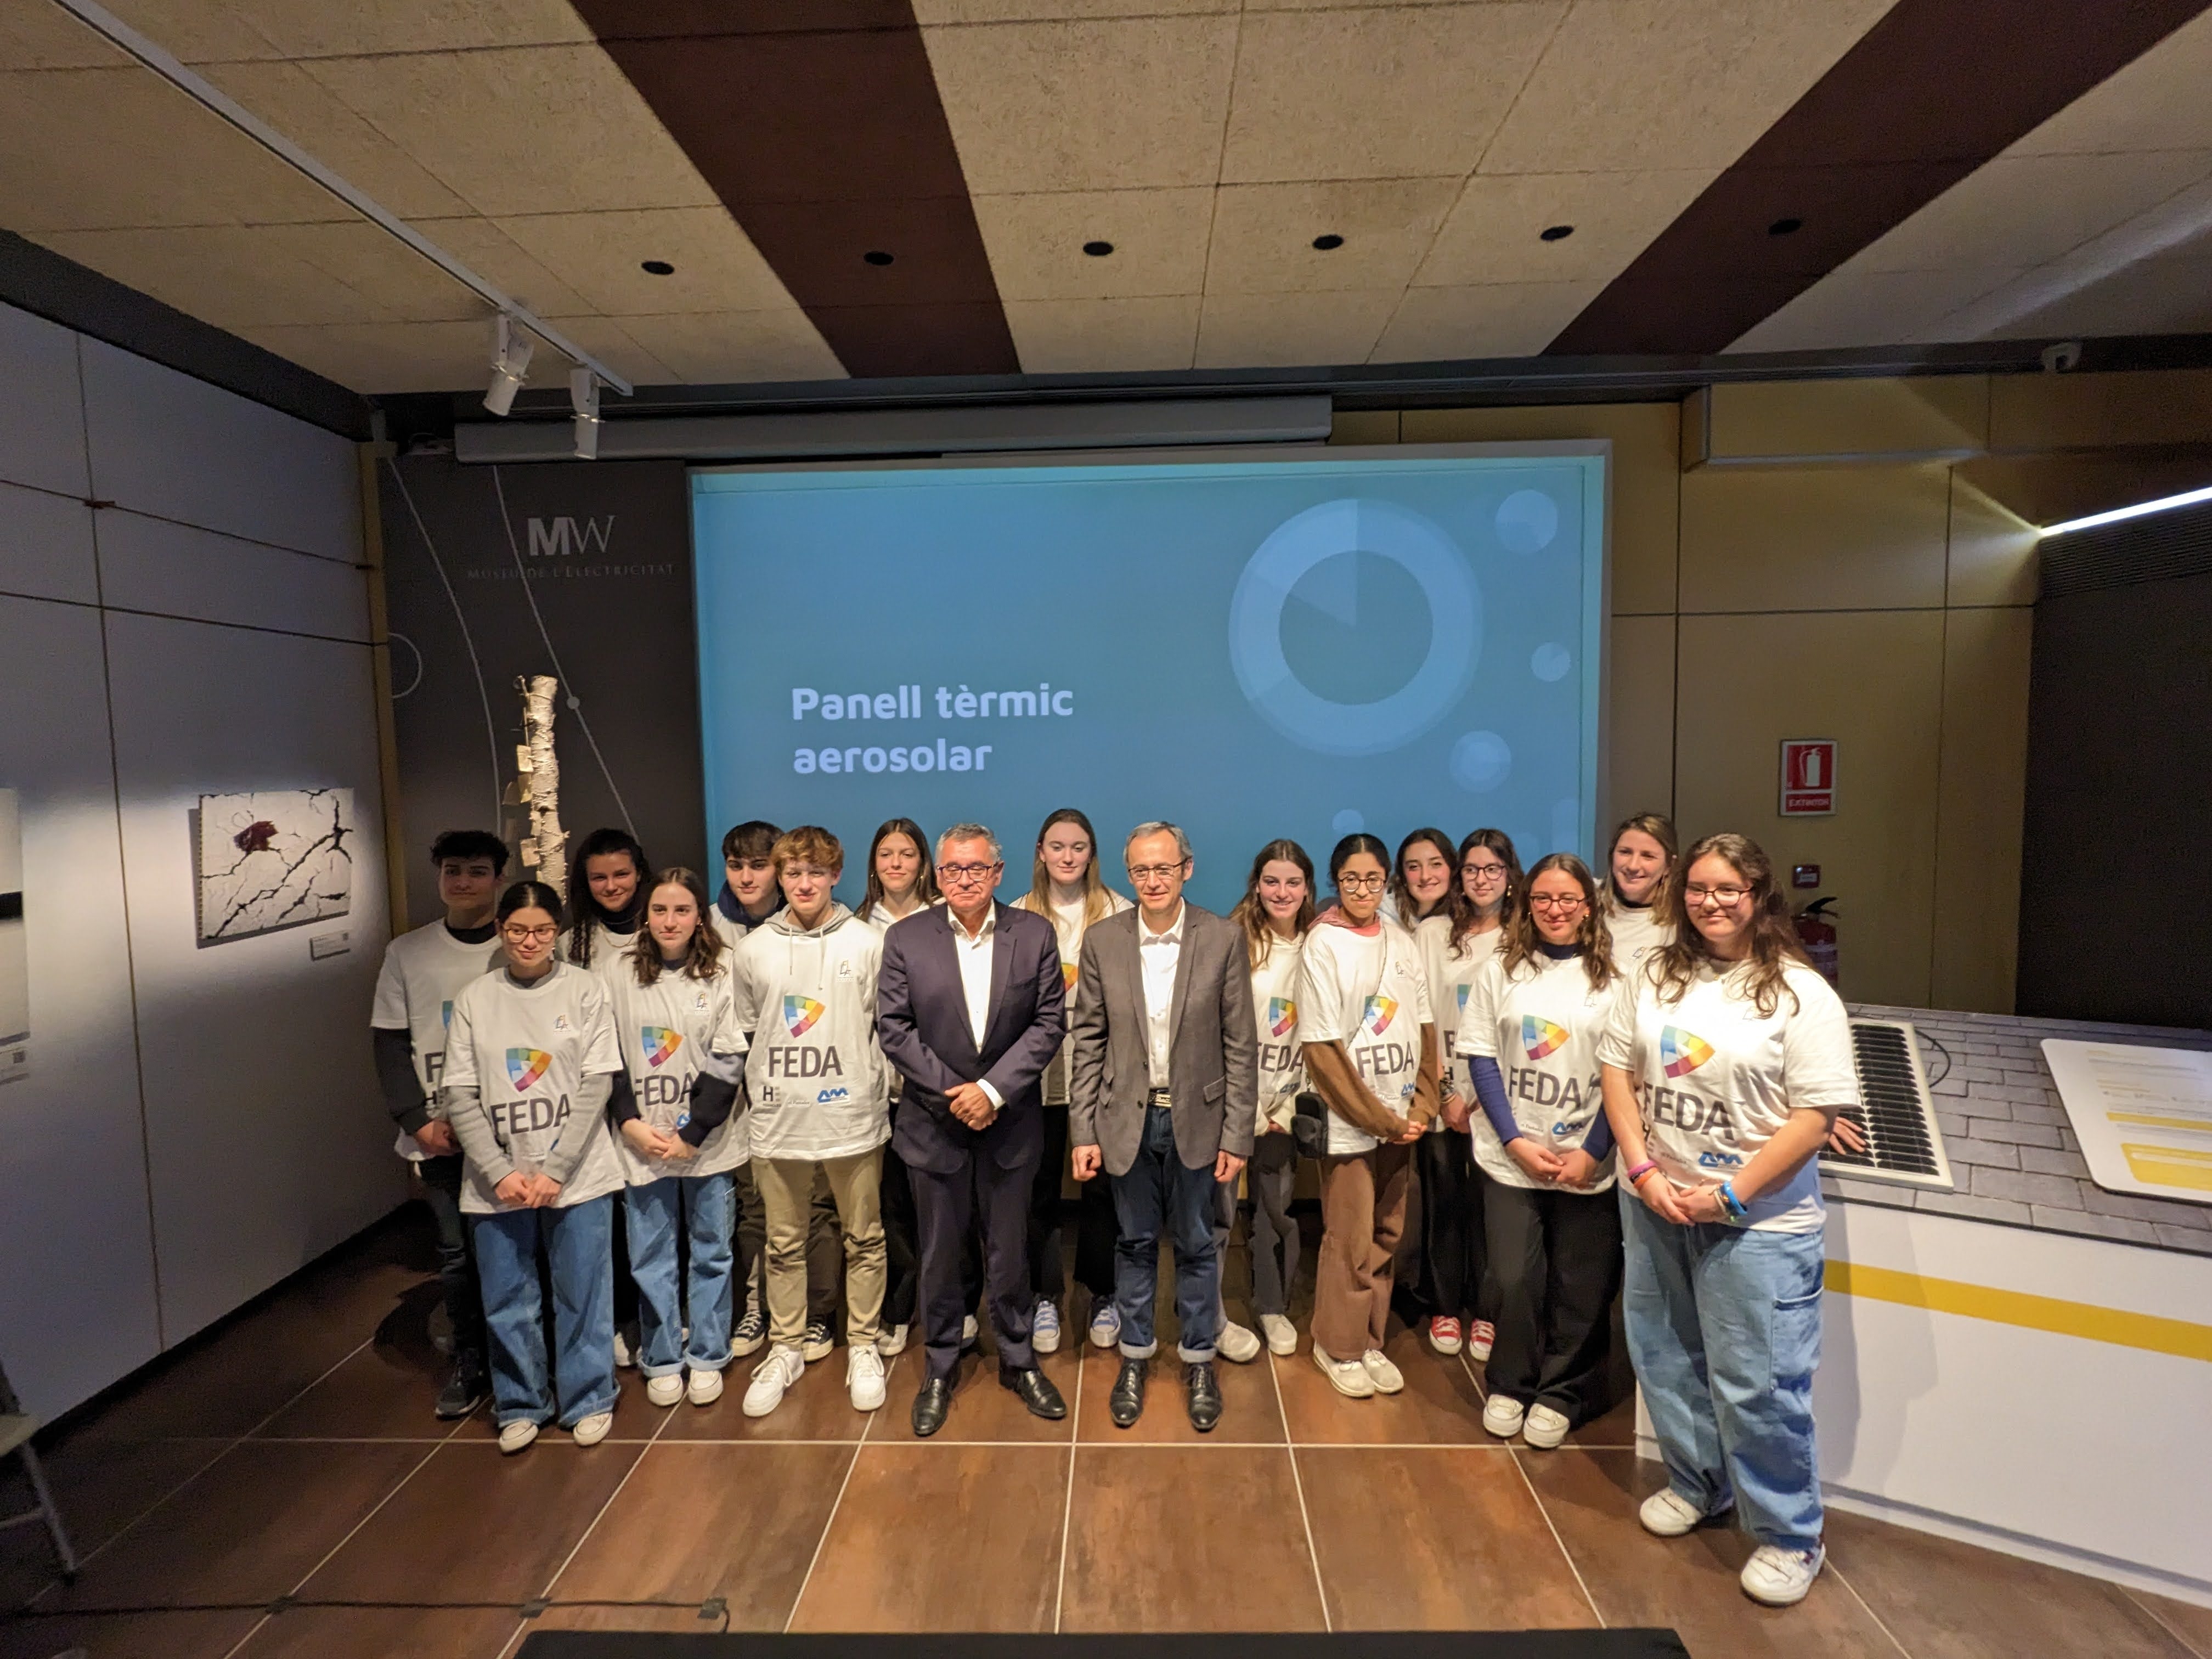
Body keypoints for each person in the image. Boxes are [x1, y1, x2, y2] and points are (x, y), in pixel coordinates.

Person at [1599, 832, 1858, 1609]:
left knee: (1759, 1385)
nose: (1712, 903)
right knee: (1665, 1356)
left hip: (1757, 1225)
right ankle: (1697, 1482)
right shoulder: (1651, 973)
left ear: (1758, 897)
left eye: (1728, 890)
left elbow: (1814, 1117)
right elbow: (1618, 1070)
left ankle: (1788, 1534)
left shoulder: (1799, 994)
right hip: (1654, 1203)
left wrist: (1730, 1194)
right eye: (1700, 889)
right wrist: (1643, 1169)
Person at [876, 823, 1067, 1437]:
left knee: (1010, 1252)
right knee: (938, 1256)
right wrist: (955, 1094)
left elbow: (1048, 1023)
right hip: (935, 1126)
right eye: (954, 869)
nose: (964, 879)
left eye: (977, 869)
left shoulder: (1033, 933)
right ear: (938, 875)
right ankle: (938, 1367)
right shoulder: (906, 938)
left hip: (1009, 1123)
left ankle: (1018, 1359)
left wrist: (990, 1091)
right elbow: (894, 1028)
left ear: (999, 873)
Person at [1069, 823, 1257, 1431]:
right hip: (1126, 1120)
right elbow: (1088, 1041)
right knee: (1135, 1243)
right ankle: (1136, 1356)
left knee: (1200, 1244)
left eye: (1164, 869)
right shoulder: (1103, 941)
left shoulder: (1223, 938)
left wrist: (1236, 1135)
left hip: (1199, 1121)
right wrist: (1083, 1132)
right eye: (1141, 871)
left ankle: (1200, 1358)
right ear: (1129, 875)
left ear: (1187, 869)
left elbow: (1241, 1046)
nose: (1153, 881)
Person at [444, 881, 628, 1453]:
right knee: (507, 1297)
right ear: (501, 930)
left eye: (543, 931)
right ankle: (521, 1402)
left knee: (584, 1293)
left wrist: (558, 1167)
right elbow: (459, 1092)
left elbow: (598, 1082)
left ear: (558, 933)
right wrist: (500, 1171)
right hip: (498, 1179)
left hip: (577, 1173)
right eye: (518, 930)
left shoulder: (587, 990)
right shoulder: (476, 998)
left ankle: (590, 1396)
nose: (530, 941)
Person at [729, 828, 892, 1417]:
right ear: (780, 877)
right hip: (778, 1122)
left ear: (834, 876)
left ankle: (866, 1345)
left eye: (815, 873)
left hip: (852, 1117)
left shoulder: (868, 943)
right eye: (793, 873)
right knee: (782, 1243)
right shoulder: (753, 951)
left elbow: (884, 1027)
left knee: (864, 1239)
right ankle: (787, 1346)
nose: (804, 884)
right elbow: (748, 1032)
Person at [1463, 853, 1621, 1450]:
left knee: (1580, 1283)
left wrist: (1594, 1149)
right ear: (1527, 905)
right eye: (1543, 899)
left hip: (1588, 1158)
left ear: (1589, 906)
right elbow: (1481, 1056)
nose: (1555, 910)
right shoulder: (1502, 971)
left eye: (1568, 899)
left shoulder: (1617, 982)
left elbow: (1624, 1073)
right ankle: (1511, 1381)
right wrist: (1514, 1140)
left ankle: (1563, 1391)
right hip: (1513, 1156)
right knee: (1514, 1275)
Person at [369, 830, 505, 1419]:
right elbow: (390, 1045)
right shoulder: (408, 952)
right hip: (440, 1133)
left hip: (511, 1132)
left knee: (515, 1250)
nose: (463, 882)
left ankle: (523, 1355)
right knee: (456, 1253)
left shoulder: (518, 945)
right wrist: (415, 1120)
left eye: (477, 871)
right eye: (453, 870)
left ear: (499, 878)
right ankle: (470, 1361)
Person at [1297, 834, 1440, 1398]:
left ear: (1388, 883)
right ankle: (1338, 1344)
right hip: (1352, 1122)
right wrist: (1380, 1119)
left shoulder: (1402, 940)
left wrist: (1423, 1105)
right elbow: (1322, 1048)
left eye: (1374, 880)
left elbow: (1426, 1028)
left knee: (1387, 1232)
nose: (1363, 890)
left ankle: (1371, 1337)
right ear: (1336, 882)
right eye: (1351, 880)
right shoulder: (1322, 945)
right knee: (1350, 1236)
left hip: (1403, 1118)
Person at [607, 868, 749, 1409]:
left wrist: (693, 1132)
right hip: (642, 1140)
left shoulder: (723, 969)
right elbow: (607, 1055)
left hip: (706, 1142)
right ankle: (663, 1354)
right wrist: (630, 1122)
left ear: (700, 917)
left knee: (712, 1249)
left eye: (683, 910)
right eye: (661, 910)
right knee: (650, 1253)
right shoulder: (617, 972)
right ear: (646, 915)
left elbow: (730, 1054)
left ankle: (709, 1353)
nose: (671, 921)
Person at [712, 819, 840, 1365]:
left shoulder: (830, 930)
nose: (747, 876)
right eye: (735, 865)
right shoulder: (713, 928)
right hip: (740, 1097)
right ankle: (756, 1304)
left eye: (759, 865)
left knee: (814, 1206)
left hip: (815, 1092)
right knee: (755, 1208)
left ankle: (817, 1313)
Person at [1013, 808, 1130, 1356]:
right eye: (1057, 847)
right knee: (1037, 1190)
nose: (1067, 857)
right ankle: (1044, 1295)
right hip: (1034, 1080)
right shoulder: (1016, 915)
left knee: (1102, 1188)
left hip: (1101, 1076)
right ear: (1040, 852)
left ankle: (1102, 1291)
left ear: (1092, 852)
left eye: (1078, 847)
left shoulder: (1118, 913)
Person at [1410, 829, 1521, 1362]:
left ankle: (1489, 1312)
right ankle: (1446, 1306)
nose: (1482, 879)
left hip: (1504, 1103)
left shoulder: (1525, 938)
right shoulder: (1433, 934)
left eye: (1492, 869)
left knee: (1493, 1213)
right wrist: (1451, 1093)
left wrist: (1484, 1099)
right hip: (1446, 1099)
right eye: (1473, 869)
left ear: (1509, 876)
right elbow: (1424, 1018)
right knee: (1445, 1205)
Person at [855, 817, 947, 1361]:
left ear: (923, 864)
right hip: (879, 1090)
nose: (895, 864)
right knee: (892, 1209)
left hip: (936, 1087)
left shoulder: (944, 920)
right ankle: (897, 1308)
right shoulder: (858, 925)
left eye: (906, 854)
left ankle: (948, 1306)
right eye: (886, 854)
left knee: (944, 1208)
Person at [1226, 839, 1314, 1358]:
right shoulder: (1232, 940)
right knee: (1215, 1213)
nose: (1282, 892)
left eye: (1293, 882)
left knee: (1275, 1210)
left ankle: (1272, 1304)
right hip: (1233, 1104)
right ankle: (1207, 1311)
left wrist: (1285, 1109)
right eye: (1272, 881)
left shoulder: (1321, 945)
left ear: (1307, 889)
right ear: (1256, 885)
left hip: (1287, 1104)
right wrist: (1251, 1108)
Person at [564, 827, 651, 973]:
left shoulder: (665, 934)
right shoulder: (570, 945)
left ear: (639, 874)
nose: (611, 887)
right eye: (600, 878)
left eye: (621, 875)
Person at [1602, 812, 1676, 976]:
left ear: (1669, 865)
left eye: (1648, 856)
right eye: (1625, 852)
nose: (1633, 866)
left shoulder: (1681, 924)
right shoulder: (1586, 907)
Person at [1387, 826, 1456, 927]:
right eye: (1414, 867)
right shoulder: (1383, 920)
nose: (1425, 876)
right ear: (1403, 875)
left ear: (1452, 868)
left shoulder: (1465, 918)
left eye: (1436, 864)